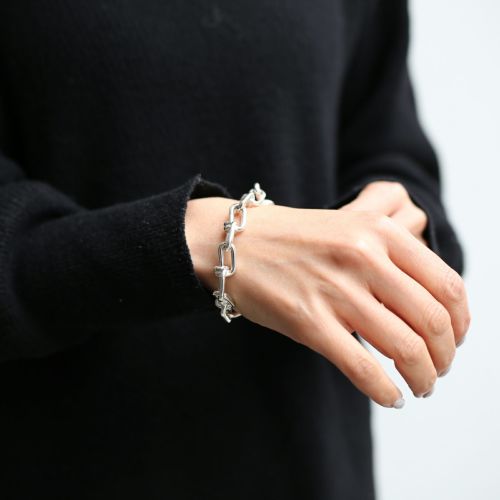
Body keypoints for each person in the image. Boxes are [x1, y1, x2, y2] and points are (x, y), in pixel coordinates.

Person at [0, 1, 470, 499]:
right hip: (60, 461)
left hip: (311, 465)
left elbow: (387, 147)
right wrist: (199, 238)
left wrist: (397, 234)